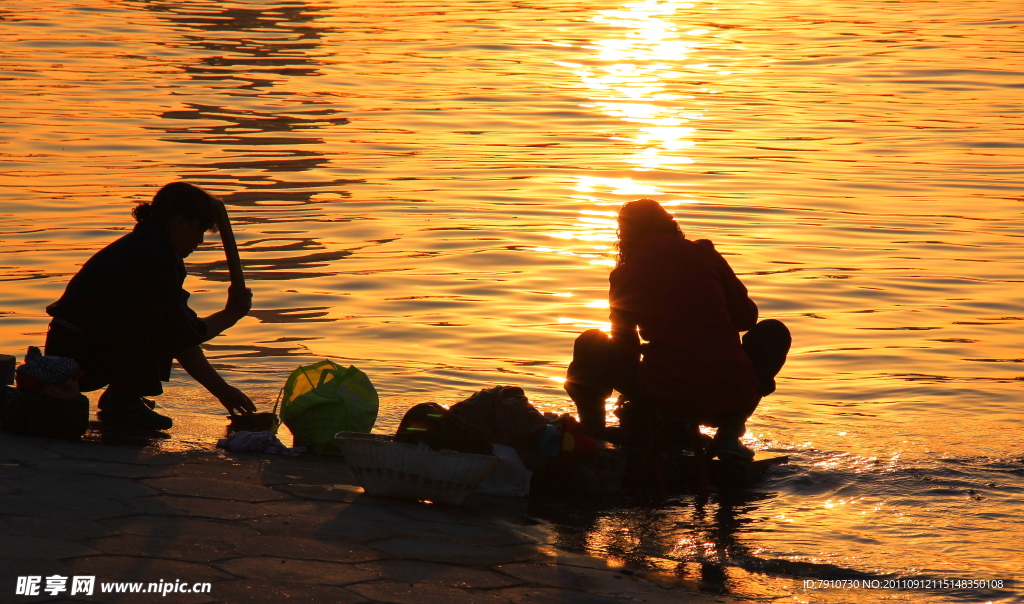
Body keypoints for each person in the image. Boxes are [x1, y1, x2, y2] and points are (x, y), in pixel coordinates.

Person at [565, 199, 790, 460]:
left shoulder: (625, 273)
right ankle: (730, 432)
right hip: (732, 394)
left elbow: (625, 344)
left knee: (590, 342)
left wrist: (637, 389)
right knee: (773, 332)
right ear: (672, 226)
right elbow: (747, 318)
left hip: (668, 397)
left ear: (624, 237)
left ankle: (594, 434)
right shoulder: (705, 253)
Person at [44, 182, 257, 430]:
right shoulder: (152, 257)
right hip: (77, 359)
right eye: (199, 231)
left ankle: (122, 395)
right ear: (180, 221)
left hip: (74, 348)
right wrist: (231, 315)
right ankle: (124, 402)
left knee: (162, 321)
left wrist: (222, 390)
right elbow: (181, 334)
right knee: (157, 326)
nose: (200, 241)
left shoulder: (152, 248)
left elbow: (184, 334)